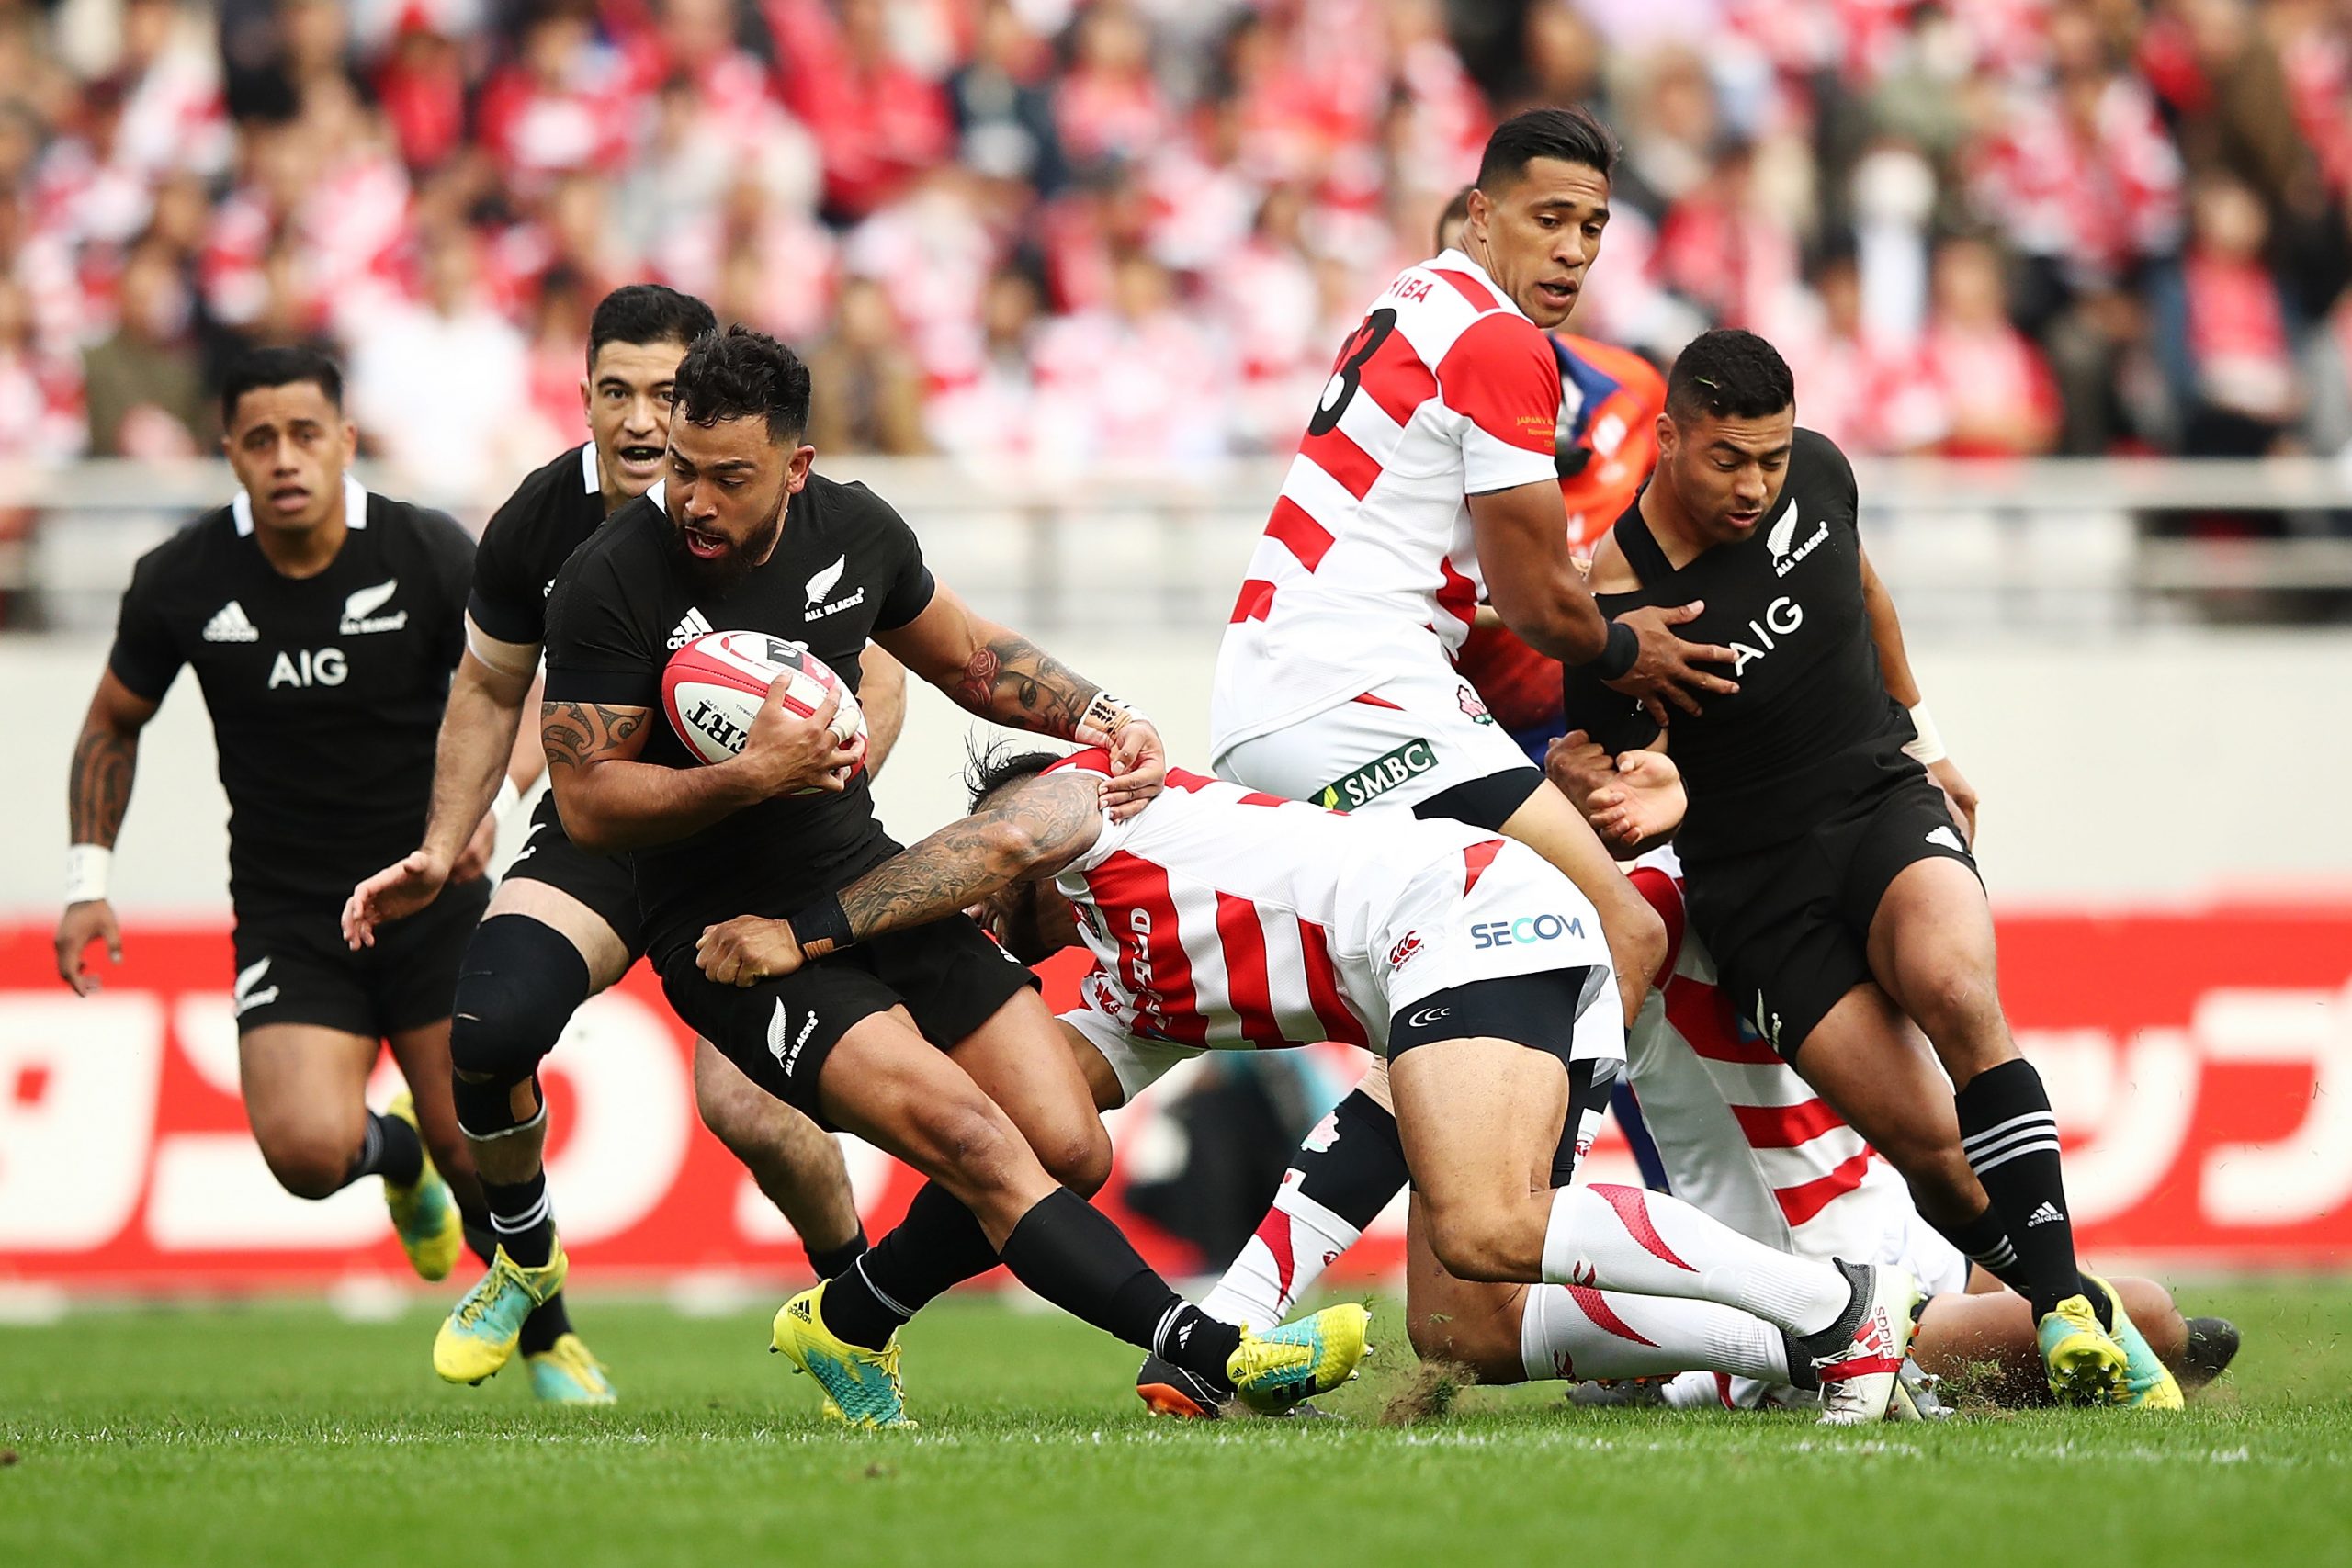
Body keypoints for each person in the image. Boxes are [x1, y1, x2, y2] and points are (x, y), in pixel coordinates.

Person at [538, 324, 1367, 1427]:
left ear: (795, 468)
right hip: (731, 936)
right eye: (683, 470)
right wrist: (750, 775)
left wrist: (1103, 714)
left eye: (728, 478)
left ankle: (852, 1318)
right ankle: (1210, 1348)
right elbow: (589, 800)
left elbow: (970, 656)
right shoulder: (608, 579)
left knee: (1065, 1144)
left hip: (867, 877)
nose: (693, 499)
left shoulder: (855, 531)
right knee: (977, 1141)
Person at [695, 743, 1923, 1426]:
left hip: (1468, 911)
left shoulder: (1093, 802)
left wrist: (807, 931)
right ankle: (1787, 1347)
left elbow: (1003, 840)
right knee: (1465, 1324)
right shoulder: (1126, 989)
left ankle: (1833, 1302)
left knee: (1495, 1220)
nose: (972, 899)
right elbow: (1012, 1147)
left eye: (976, 877)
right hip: (1454, 971)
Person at [1192, 110, 1718, 1404]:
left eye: (1593, 225)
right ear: (1478, 214)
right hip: (1358, 693)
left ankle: (1236, 1308)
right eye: (1548, 217)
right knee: (1620, 925)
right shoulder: (1501, 342)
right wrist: (1624, 651)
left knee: (1453, 987)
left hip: (1294, 685)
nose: (1573, 248)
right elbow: (1542, 603)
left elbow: (1469, 581)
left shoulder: (1414, 302)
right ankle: (1525, 1238)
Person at [1557, 328, 2175, 1408]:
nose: (1755, 486)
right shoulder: (1614, 608)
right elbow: (1618, 780)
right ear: (1666, 439)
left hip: (1878, 802)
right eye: (1728, 459)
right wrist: (1637, 795)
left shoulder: (1826, 476)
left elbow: (1869, 594)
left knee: (1954, 989)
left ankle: (2069, 1315)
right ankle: (2066, 1310)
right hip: (1755, 888)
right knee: (1929, 1145)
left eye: (1773, 456)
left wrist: (1927, 740)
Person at [342, 285, 907, 1403]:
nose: (645, 420)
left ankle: (855, 1319)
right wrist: (444, 839)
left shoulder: (787, 513)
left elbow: (879, 675)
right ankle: (524, 1251)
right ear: (584, 397)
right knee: (490, 1027)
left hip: (760, 848)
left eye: (665, 392)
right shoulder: (539, 526)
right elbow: (488, 684)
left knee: (754, 1111)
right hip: (611, 828)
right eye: (617, 391)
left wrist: (833, 775)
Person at [54, 346, 503, 1359]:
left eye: (307, 434)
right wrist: (89, 881)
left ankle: (551, 1340)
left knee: (482, 1154)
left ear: (346, 442)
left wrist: (485, 802)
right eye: (261, 440)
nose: (286, 458)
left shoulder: (426, 551)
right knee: (305, 1154)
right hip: (291, 909)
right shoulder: (180, 579)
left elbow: (513, 685)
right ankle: (395, 1162)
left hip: (429, 887)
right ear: (230, 456)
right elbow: (110, 725)